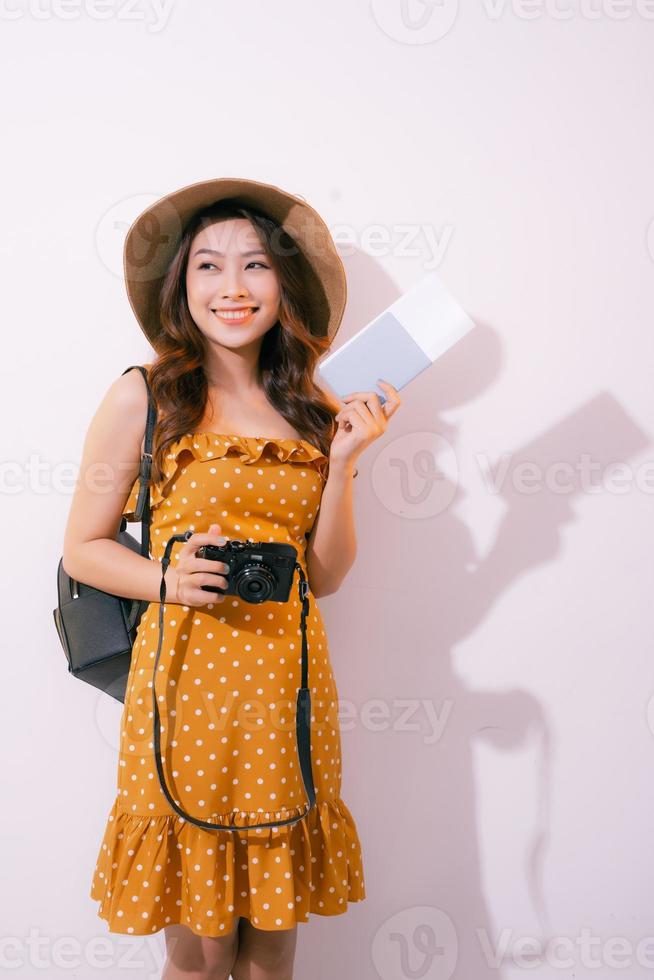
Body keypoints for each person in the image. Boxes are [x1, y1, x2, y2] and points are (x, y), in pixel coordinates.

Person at [63, 177, 401, 979]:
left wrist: (345, 464)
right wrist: (168, 581)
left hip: (289, 689)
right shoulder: (144, 396)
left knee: (271, 949)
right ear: (182, 286)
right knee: (201, 954)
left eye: (255, 266)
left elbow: (324, 573)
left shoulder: (311, 406)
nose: (234, 288)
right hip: (184, 690)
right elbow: (83, 545)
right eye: (209, 267)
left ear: (284, 284)